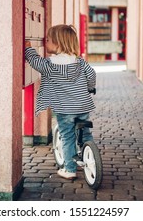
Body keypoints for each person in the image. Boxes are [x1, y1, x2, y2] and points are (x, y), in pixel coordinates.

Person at [24, 24, 96, 179]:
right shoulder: (80, 62)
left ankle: (70, 169)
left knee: (68, 137)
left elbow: (35, 61)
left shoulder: (50, 65)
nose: (45, 41)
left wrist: (28, 49)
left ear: (57, 43)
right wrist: (90, 88)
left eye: (48, 40)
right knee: (86, 133)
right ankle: (90, 154)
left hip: (64, 110)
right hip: (83, 106)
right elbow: (91, 75)